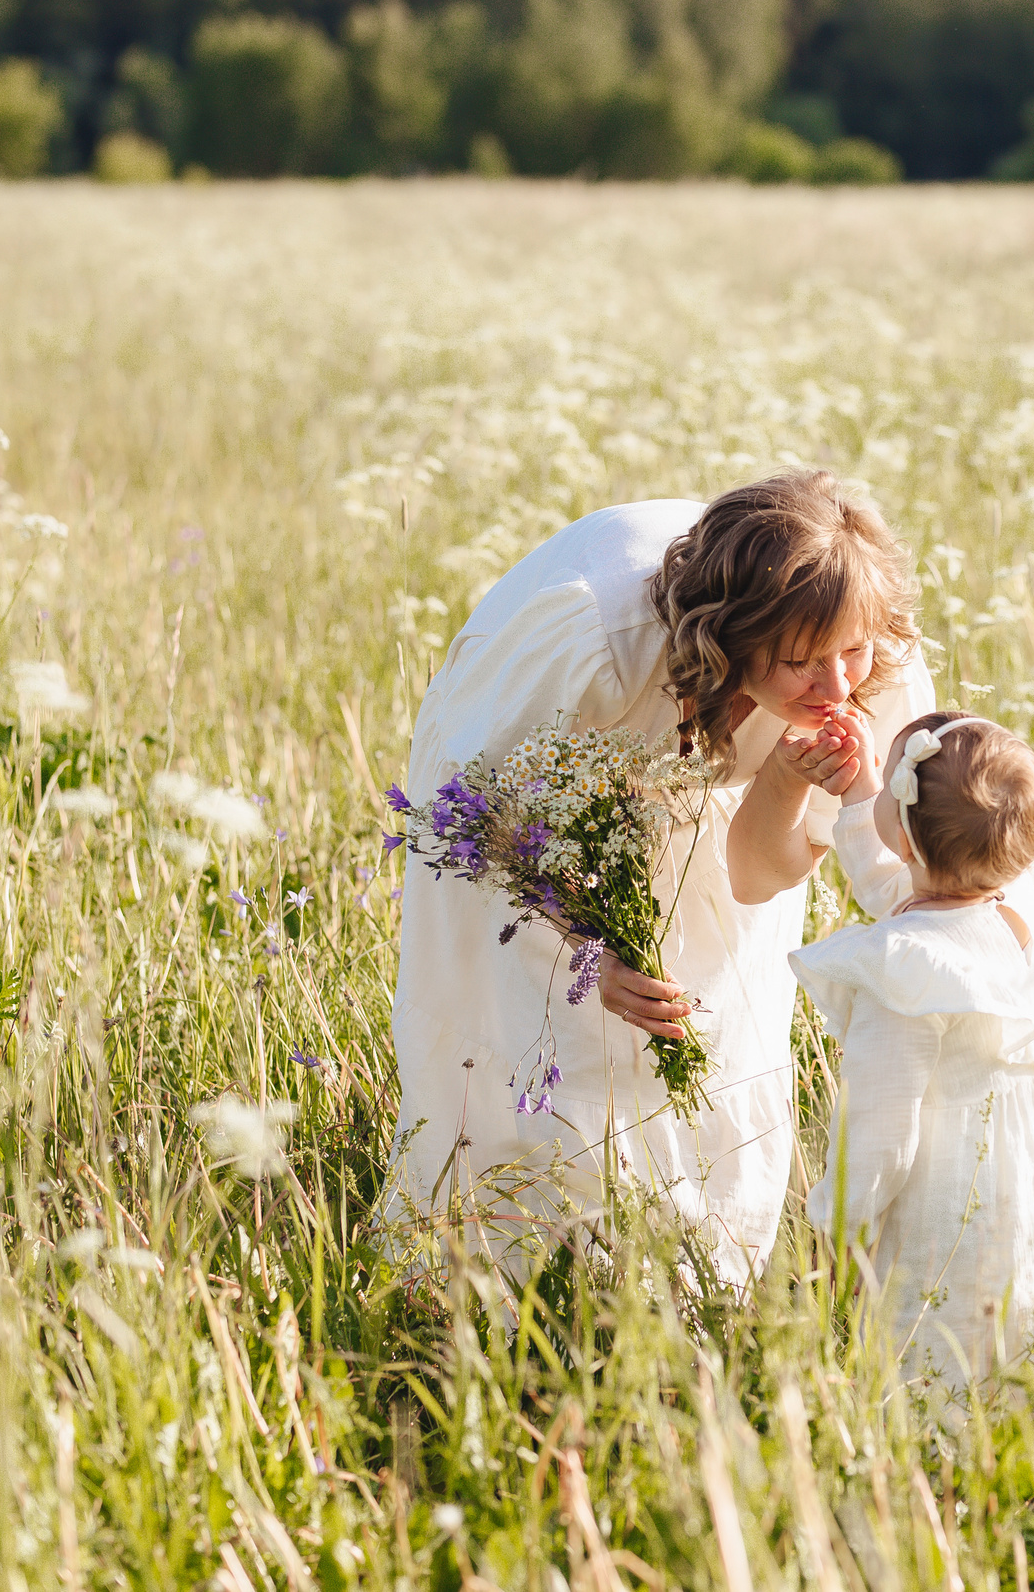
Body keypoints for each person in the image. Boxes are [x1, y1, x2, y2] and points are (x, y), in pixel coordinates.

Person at [389, 470, 934, 1283]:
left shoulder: (872, 669)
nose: (836, 688)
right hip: (524, 795)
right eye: (800, 663)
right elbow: (479, 813)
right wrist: (584, 951)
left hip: (704, 789)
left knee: (712, 1018)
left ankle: (684, 1275)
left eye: (848, 652)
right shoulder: (596, 642)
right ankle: (499, 1271)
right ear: (736, 642)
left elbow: (756, 879)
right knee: (542, 1028)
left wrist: (784, 781)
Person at [794, 710, 1034, 1396]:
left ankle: (936, 1488)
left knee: (937, 1370)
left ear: (905, 835)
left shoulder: (904, 973)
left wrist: (835, 1225)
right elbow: (904, 886)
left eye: (884, 791)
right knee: (1024, 1345)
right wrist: (860, 798)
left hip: (946, 1213)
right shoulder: (1014, 911)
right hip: (1029, 1190)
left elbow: (880, 1132)